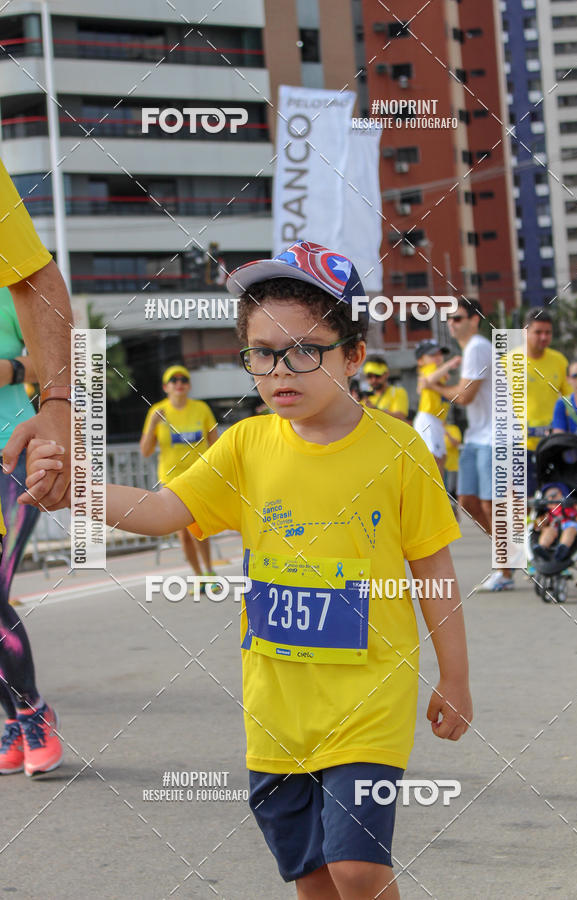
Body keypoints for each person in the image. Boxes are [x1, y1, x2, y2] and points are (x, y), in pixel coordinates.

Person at [25, 241, 472, 899]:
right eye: (262, 352)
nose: (280, 370)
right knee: (312, 877)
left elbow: (433, 569)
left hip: (370, 702)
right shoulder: (245, 445)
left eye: (304, 351)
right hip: (275, 711)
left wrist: (455, 677)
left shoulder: (399, 449)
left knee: (356, 866)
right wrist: (78, 491)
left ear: (353, 355)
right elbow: (163, 509)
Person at [0, 159, 76, 775]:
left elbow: (31, 356)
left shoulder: (7, 287)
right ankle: (11, 718)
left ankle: (31, 711)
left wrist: (56, 409)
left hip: (8, 450)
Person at [420, 299, 513, 590]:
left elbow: (464, 396)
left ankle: (505, 571)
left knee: (490, 504)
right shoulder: (469, 350)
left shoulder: (477, 347)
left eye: (458, 318)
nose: (452, 323)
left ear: (475, 320)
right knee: (468, 502)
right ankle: (510, 553)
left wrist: (433, 386)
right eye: (449, 319)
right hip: (476, 435)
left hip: (497, 435)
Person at [140, 365, 218, 586]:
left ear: (189, 385)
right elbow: (145, 451)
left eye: (183, 380)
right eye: (173, 381)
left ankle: (209, 571)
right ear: (166, 387)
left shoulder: (201, 408)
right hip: (171, 480)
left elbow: (215, 444)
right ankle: (198, 576)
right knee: (183, 534)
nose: (179, 384)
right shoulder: (157, 411)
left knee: (198, 528)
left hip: (198, 477)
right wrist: (153, 424)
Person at [516, 308, 569, 494]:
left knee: (554, 499)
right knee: (522, 502)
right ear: (525, 332)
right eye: (538, 332)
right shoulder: (508, 362)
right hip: (520, 447)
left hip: (552, 445)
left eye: (548, 332)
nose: (544, 337)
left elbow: (570, 402)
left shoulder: (559, 361)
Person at [413, 340, 460, 472]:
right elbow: (429, 380)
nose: (438, 357)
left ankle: (438, 485)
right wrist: (449, 364)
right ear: (420, 361)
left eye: (440, 353)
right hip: (428, 418)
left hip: (436, 420)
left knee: (440, 459)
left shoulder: (435, 371)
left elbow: (424, 385)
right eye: (432, 354)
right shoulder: (430, 369)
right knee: (434, 460)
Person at [533, 482, 577, 563]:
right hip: (555, 527)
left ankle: (563, 548)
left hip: (571, 524)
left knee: (569, 531)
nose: (550, 499)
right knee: (548, 531)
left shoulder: (573, 505)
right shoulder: (550, 512)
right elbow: (542, 522)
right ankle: (542, 547)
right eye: (547, 498)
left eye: (553, 495)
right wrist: (539, 524)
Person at [443, 418, 463, 518]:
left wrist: (447, 434)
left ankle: (453, 514)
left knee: (450, 492)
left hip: (452, 466)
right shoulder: (433, 428)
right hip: (439, 466)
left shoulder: (453, 428)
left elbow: (456, 443)